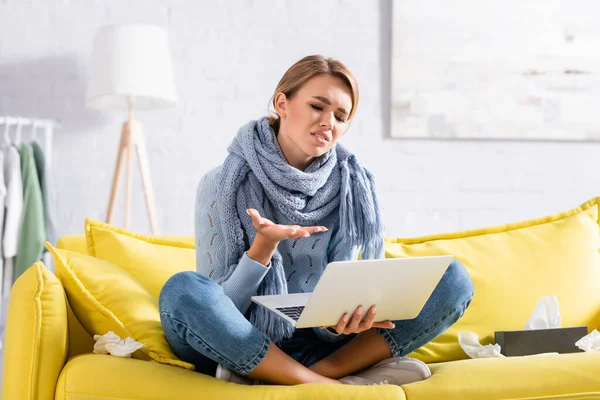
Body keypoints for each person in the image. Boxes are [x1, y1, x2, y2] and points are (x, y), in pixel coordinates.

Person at [159, 55, 474, 386]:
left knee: (454, 280)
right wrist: (262, 249)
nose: (328, 122)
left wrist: (340, 324)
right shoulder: (221, 183)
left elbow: (341, 307)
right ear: (282, 103)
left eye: (340, 116)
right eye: (317, 107)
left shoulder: (353, 187)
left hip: (318, 347)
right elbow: (222, 307)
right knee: (183, 290)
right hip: (234, 339)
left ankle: (307, 378)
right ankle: (335, 384)